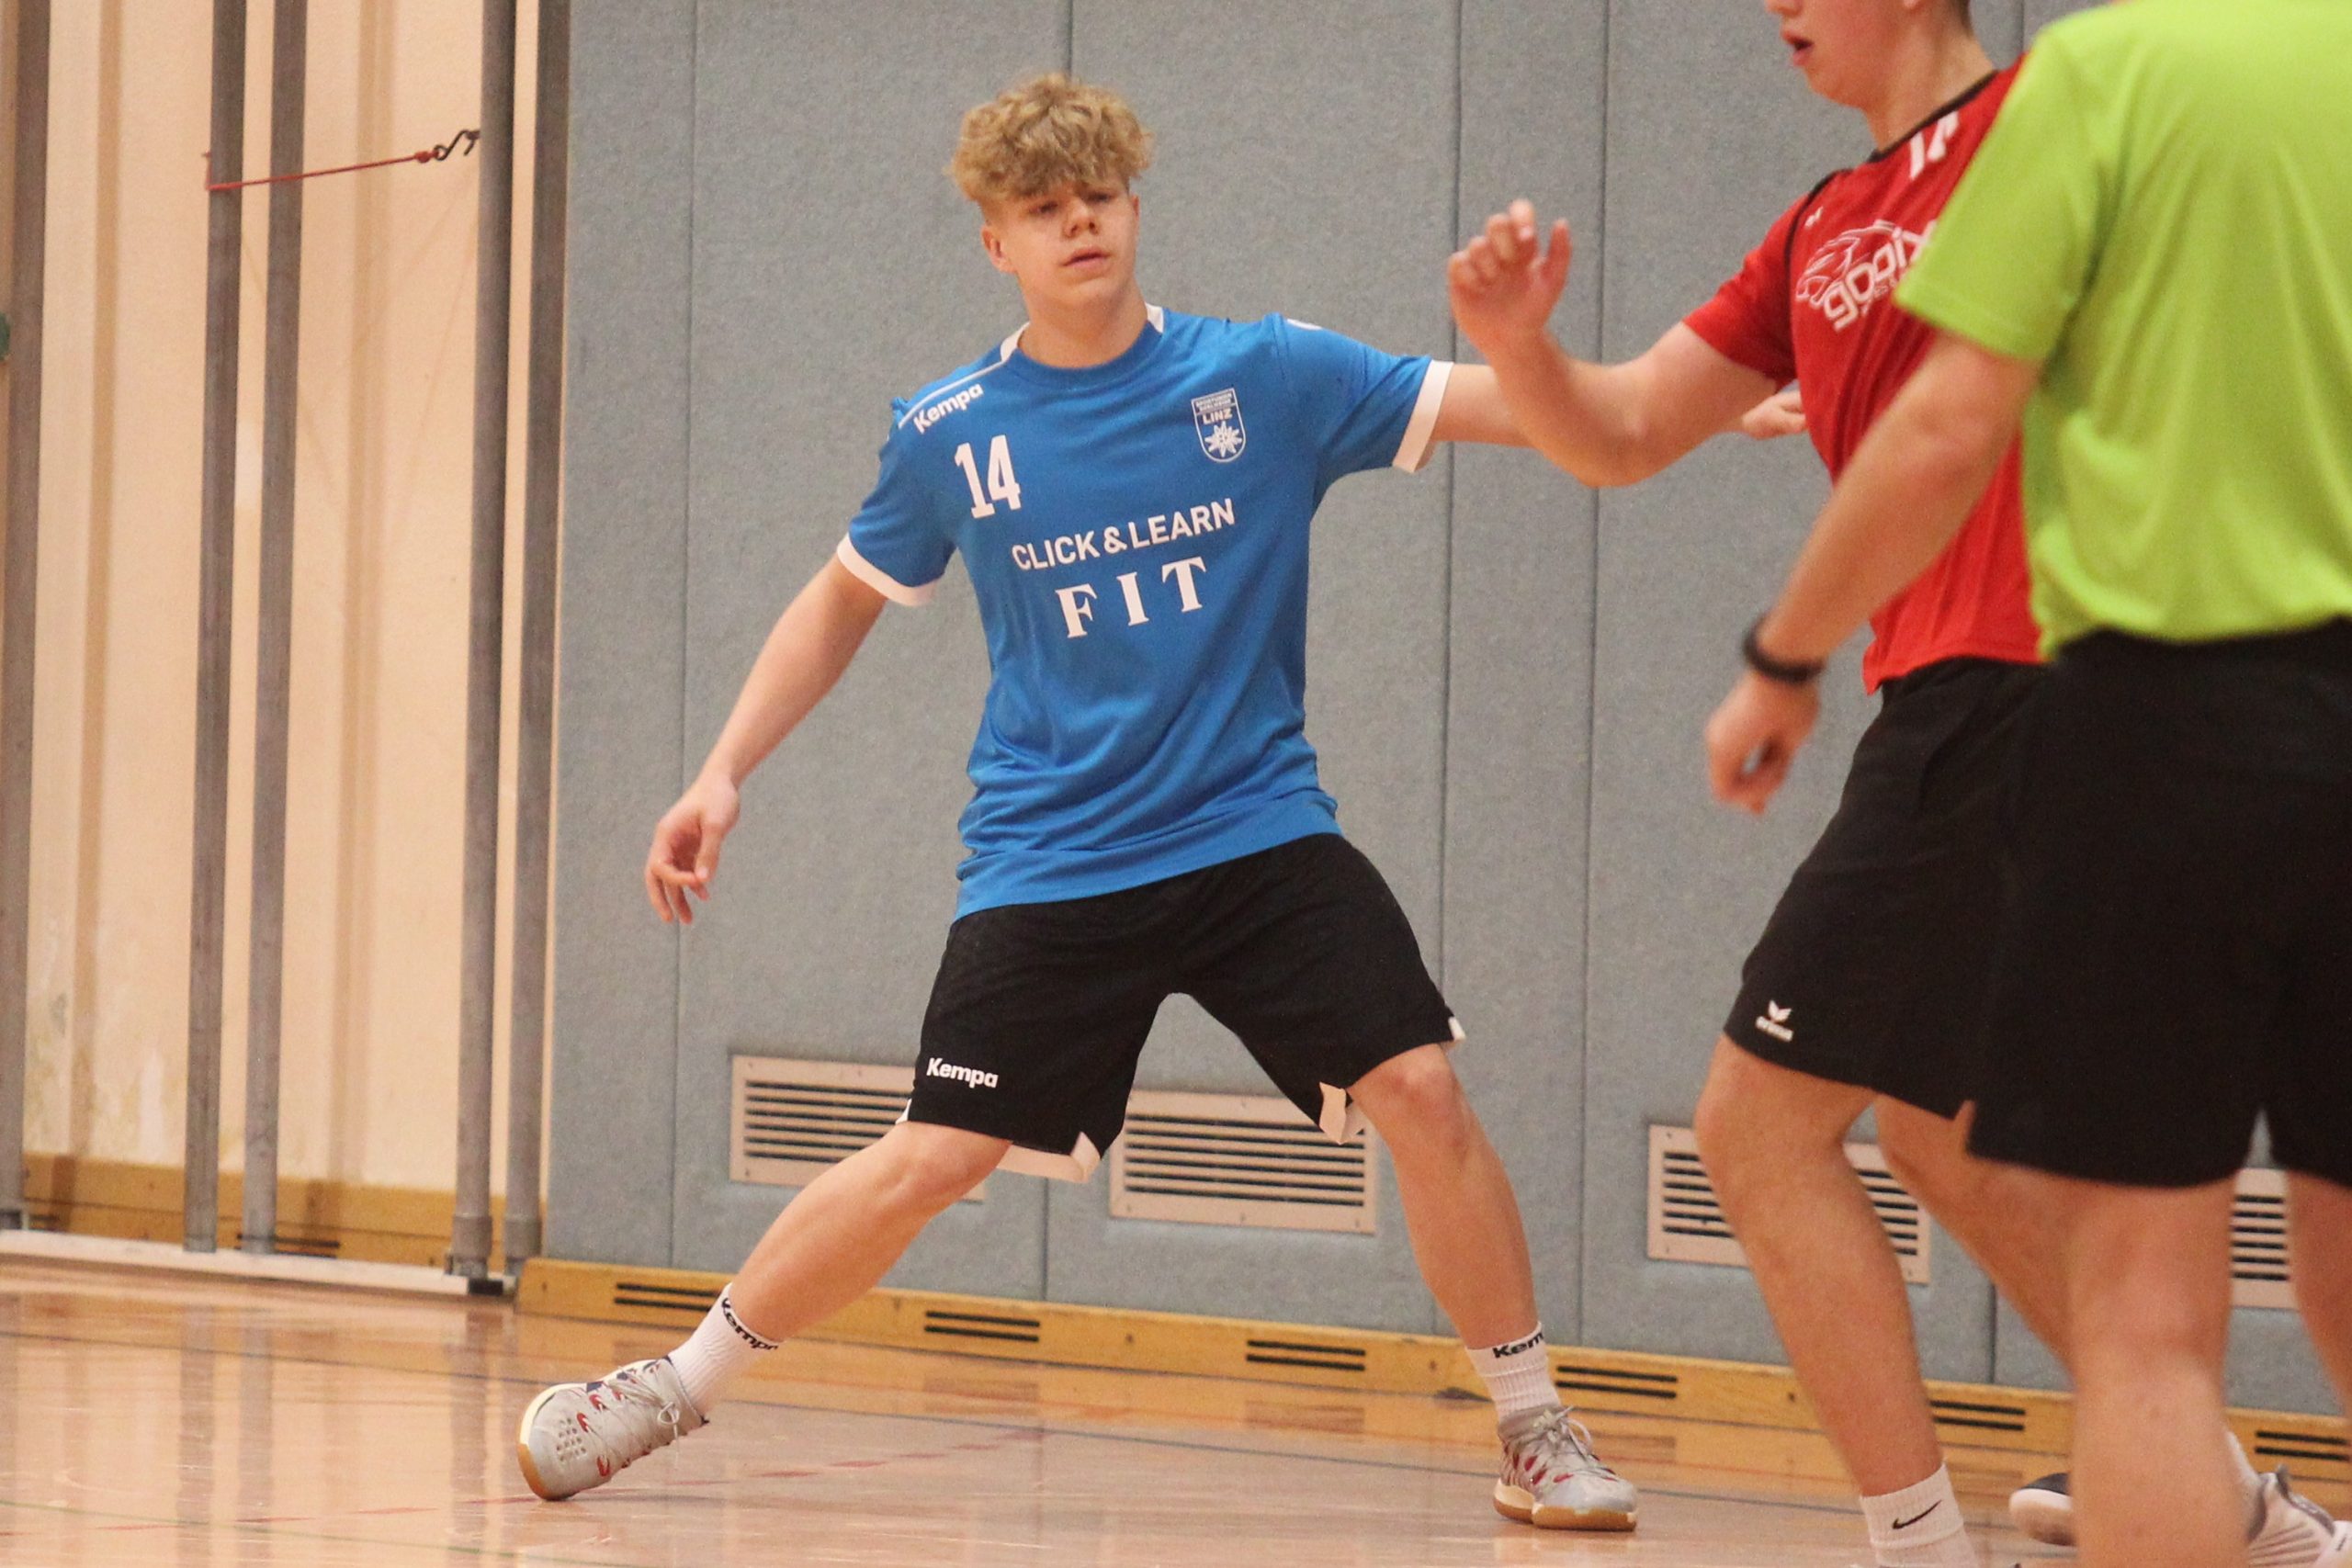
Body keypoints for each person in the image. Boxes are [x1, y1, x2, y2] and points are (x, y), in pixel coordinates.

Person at [515, 71, 1645, 1532]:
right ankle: (669, 1389)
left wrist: (1695, 397)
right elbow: (842, 599)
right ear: (998, 243)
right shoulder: (952, 432)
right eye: (1044, 209)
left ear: (1135, 206)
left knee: (1420, 1087)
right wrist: (721, 770)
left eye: (1100, 196)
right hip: (1053, 859)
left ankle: (1533, 1424)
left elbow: (1512, 404)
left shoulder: (1265, 376)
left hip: (1256, 835)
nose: (1081, 225)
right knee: (936, 1153)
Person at [1448, 1, 2341, 1562]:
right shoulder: (1818, 225)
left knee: (1757, 1129)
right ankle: (2231, 1510)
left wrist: (1782, 657)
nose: (1778, 7)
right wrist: (1522, 346)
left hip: (2035, 681)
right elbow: (1627, 429)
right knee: (1943, 1129)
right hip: (1966, 703)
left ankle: (1925, 1542)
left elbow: (1980, 419)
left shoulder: (2055, 122)